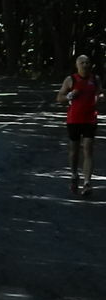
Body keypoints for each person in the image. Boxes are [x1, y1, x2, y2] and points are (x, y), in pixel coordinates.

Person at [56, 54, 104, 196]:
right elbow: (59, 98)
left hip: (90, 119)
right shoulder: (71, 80)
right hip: (74, 120)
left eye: (87, 62)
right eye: (82, 62)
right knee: (74, 151)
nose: (85, 65)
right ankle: (74, 175)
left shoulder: (95, 79)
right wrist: (69, 96)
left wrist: (100, 97)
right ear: (77, 65)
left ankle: (87, 183)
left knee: (88, 149)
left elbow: (100, 93)